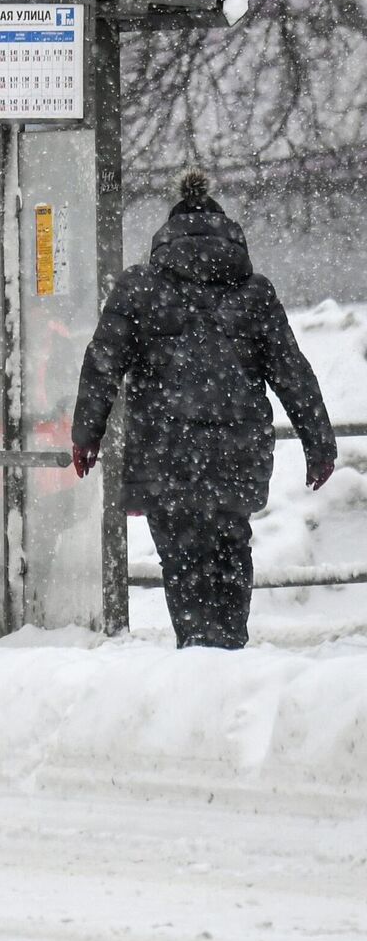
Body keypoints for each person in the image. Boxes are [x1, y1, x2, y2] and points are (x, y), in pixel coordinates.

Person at [72, 171, 335, 649]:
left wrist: (87, 434)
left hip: (165, 451)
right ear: (227, 231)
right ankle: (228, 645)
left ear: (167, 234)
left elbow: (102, 363)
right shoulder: (255, 292)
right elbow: (292, 371)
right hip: (237, 453)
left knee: (180, 555)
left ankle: (196, 650)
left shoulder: (138, 287)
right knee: (231, 548)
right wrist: (319, 442)